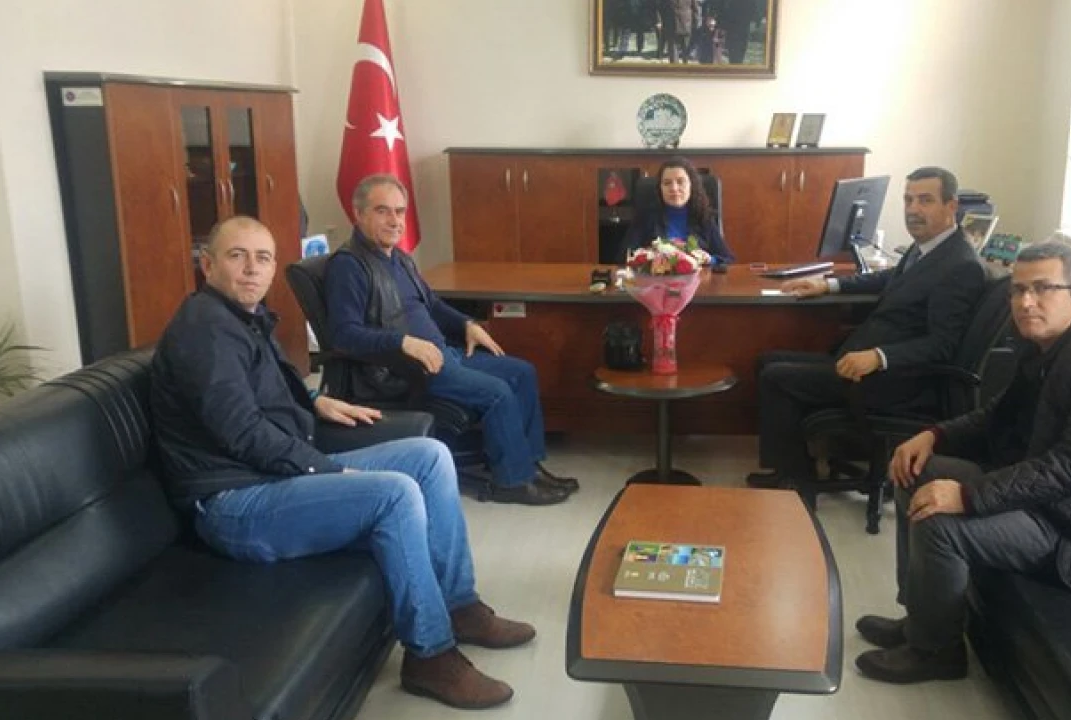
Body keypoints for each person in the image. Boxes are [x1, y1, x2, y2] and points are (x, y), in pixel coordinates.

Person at [150, 216, 534, 710]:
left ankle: (460, 605)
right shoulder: (204, 330)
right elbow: (241, 431)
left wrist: (312, 402)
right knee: (393, 492)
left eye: (262, 258)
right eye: (236, 256)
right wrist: (328, 471)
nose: (251, 269)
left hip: (271, 474)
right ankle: (430, 655)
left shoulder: (242, 317)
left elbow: (254, 395)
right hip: (235, 501)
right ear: (207, 266)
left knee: (430, 455)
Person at [855, 242, 1071, 684]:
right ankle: (920, 618)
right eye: (1018, 290)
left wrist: (968, 496)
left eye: (1043, 288)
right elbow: (998, 415)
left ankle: (937, 652)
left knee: (939, 521)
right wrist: (935, 435)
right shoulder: (1048, 346)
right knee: (916, 471)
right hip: (1050, 502)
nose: (1026, 302)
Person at [325, 174, 578, 507]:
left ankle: (527, 466)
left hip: (446, 353)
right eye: (382, 211)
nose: (395, 220)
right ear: (358, 215)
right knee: (497, 392)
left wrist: (466, 323)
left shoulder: (399, 258)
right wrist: (403, 343)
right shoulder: (349, 266)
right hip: (409, 368)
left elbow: (431, 305)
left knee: (522, 372)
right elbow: (344, 335)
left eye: (400, 211)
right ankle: (513, 482)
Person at [746, 167, 984, 489]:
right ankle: (795, 464)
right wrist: (829, 285)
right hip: (863, 363)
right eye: (908, 200)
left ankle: (794, 479)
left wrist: (879, 356)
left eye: (925, 200)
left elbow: (942, 344)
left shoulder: (959, 265)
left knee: (777, 378)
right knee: (768, 361)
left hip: (895, 380)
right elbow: (888, 279)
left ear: (951, 206)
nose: (913, 209)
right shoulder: (927, 248)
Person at [622, 156, 735, 265]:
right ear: (660, 188)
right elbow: (624, 257)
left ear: (691, 185)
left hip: (698, 277)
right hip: (657, 277)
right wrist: (647, 257)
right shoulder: (645, 217)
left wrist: (710, 260)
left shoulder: (703, 217)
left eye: (680, 182)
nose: (674, 188)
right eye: (667, 183)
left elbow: (727, 259)